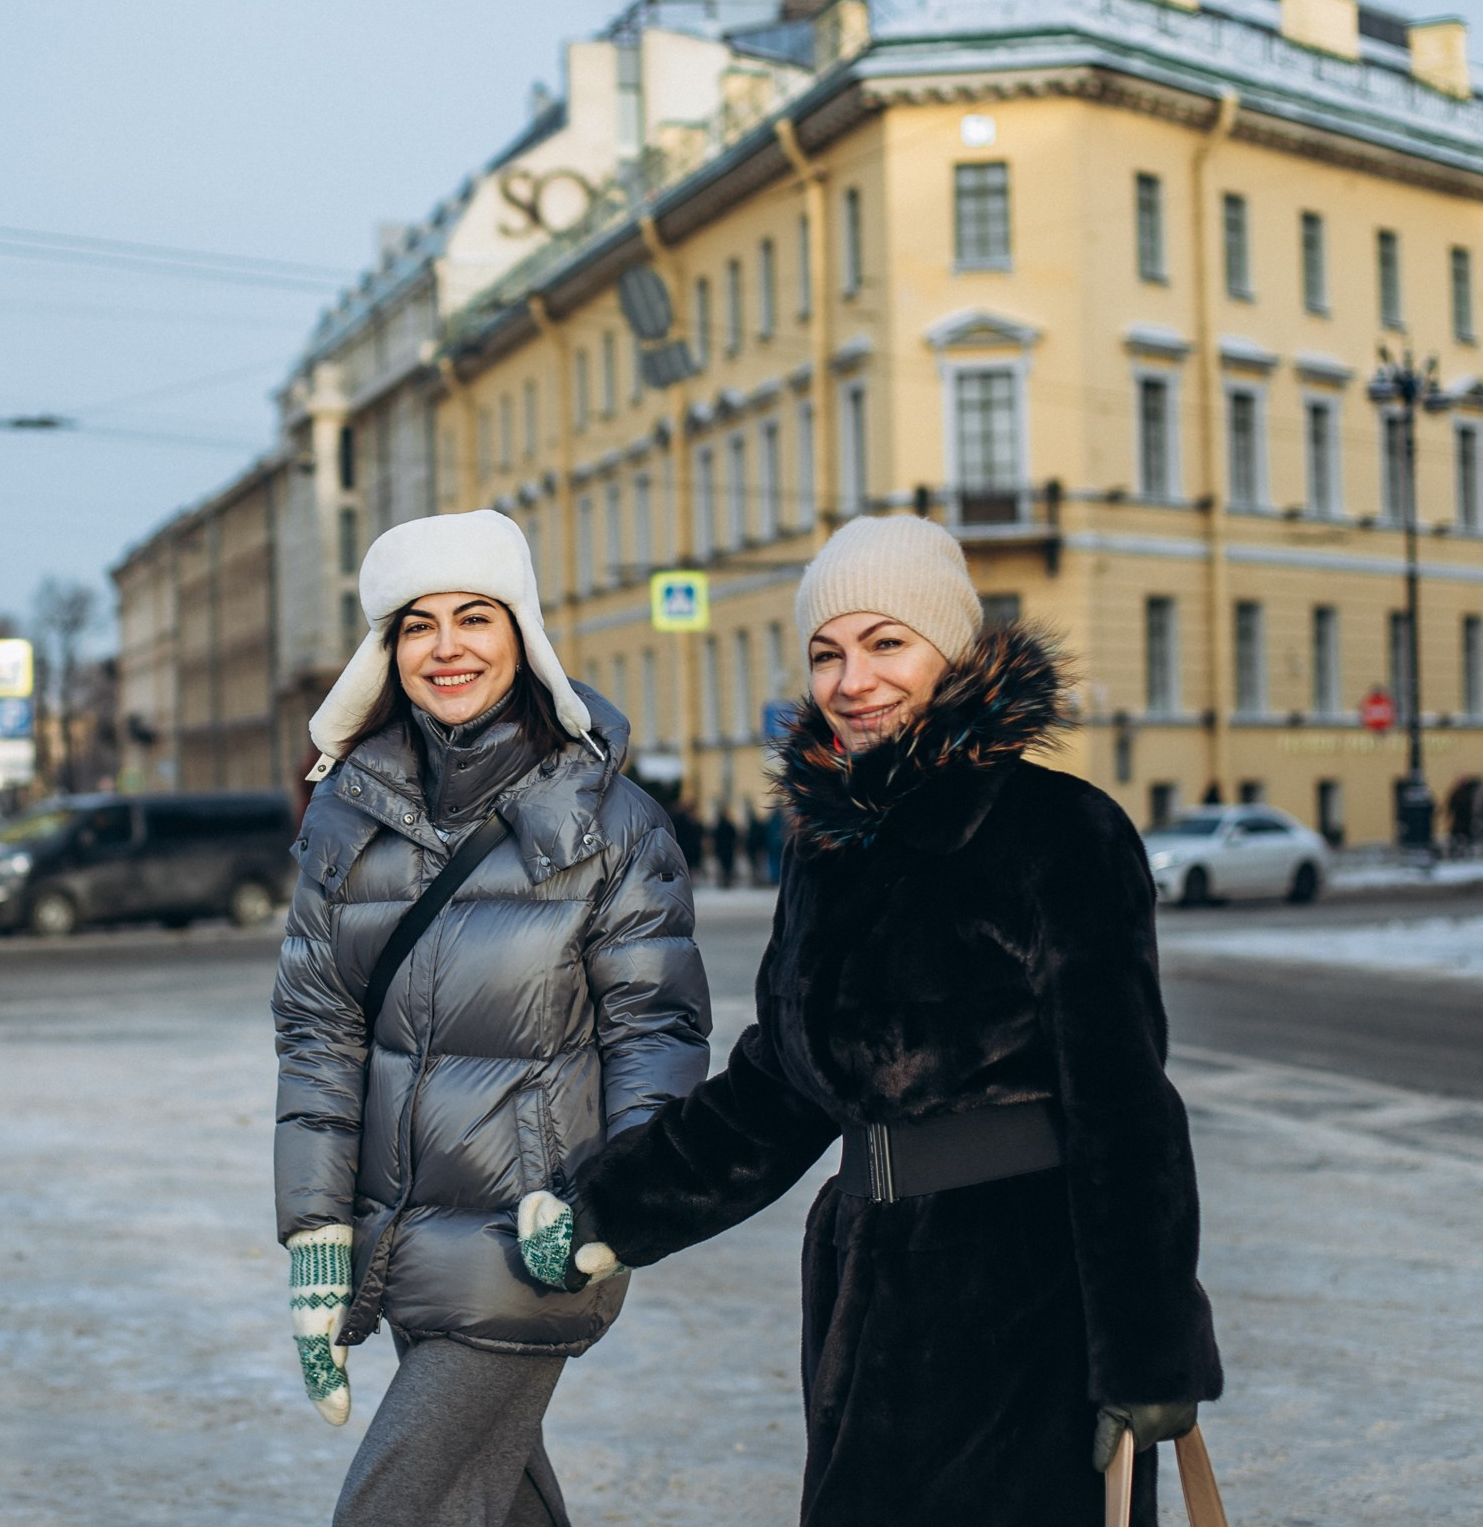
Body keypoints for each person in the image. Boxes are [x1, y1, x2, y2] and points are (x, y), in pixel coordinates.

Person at [516, 515, 1221, 1525]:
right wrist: (611, 1207)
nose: (853, 680)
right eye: (827, 652)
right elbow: (779, 1087)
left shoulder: (1058, 830)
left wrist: (1147, 1352)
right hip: (868, 1282)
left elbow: (1126, 1109)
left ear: (954, 652)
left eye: (887, 642)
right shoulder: (826, 849)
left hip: (1027, 1299)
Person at [272, 509, 710, 1527]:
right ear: (389, 649)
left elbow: (657, 1035)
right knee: (501, 1503)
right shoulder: (346, 815)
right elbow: (319, 1030)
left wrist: (616, 1200)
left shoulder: (610, 823)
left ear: (523, 634)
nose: (448, 647)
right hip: (399, 1237)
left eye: (476, 616)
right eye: (418, 624)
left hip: (537, 1239)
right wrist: (316, 1229)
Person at [711, 806, 740, 890]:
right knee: (728, 866)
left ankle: (723, 881)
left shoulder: (718, 826)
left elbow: (714, 837)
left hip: (720, 849)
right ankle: (727, 881)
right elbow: (735, 837)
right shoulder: (730, 825)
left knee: (722, 866)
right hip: (729, 849)